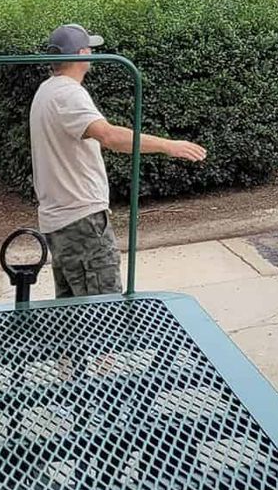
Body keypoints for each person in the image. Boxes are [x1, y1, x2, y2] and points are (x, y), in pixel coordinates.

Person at [30, 23, 207, 298]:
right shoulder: (68, 94)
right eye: (89, 48)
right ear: (82, 54)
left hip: (60, 220)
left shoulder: (46, 90)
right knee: (103, 310)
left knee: (71, 313)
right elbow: (109, 136)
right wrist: (168, 145)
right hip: (81, 220)